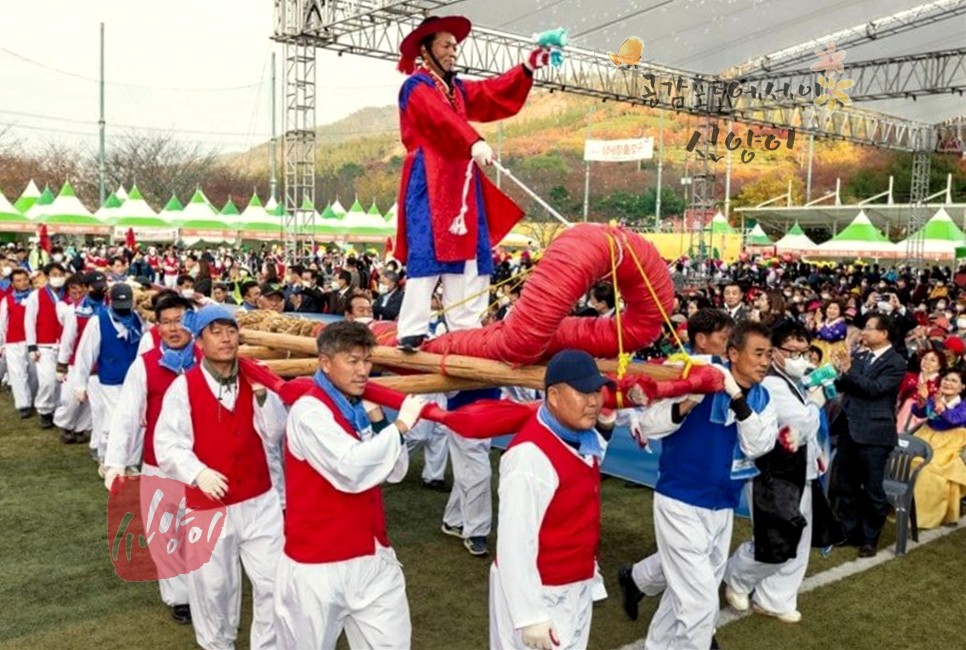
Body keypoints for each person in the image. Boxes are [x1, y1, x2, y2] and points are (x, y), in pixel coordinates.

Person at [392, 14, 550, 351]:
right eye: (446, 46)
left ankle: (466, 326)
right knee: (429, 250)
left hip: (461, 178)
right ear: (426, 50)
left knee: (472, 252)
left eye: (455, 46)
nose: (453, 52)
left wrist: (527, 67)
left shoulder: (457, 89)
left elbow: (492, 92)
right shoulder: (415, 87)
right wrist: (472, 141)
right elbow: (439, 118)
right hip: (431, 177)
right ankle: (412, 328)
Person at [620, 320, 778, 650]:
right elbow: (649, 425)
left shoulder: (764, 396)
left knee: (687, 593)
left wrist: (737, 399)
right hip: (680, 500)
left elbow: (759, 446)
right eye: (758, 353)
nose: (765, 361)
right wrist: (687, 402)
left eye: (769, 353)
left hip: (723, 506)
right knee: (699, 603)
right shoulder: (696, 373)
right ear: (733, 353)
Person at [274, 322, 428, 649]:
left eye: (367, 360)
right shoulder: (308, 411)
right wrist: (400, 425)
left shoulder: (358, 408)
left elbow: (394, 470)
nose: (363, 371)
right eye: (352, 361)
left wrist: (379, 419)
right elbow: (350, 469)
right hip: (317, 564)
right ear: (326, 363)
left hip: (372, 555)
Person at [154, 305, 287, 650]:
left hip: (260, 500)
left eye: (231, 330)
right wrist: (198, 472)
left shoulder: (257, 379)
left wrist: (262, 396)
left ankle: (268, 646)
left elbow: (275, 434)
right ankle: (217, 645)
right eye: (216, 331)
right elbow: (167, 443)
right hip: (208, 506)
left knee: (274, 582)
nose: (226, 338)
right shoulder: (184, 387)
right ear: (199, 341)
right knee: (214, 589)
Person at [489, 349, 615, 650]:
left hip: (572, 583)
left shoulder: (577, 436)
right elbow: (514, 542)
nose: (595, 400)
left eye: (597, 391)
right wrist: (530, 615)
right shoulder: (530, 457)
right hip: (541, 591)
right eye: (584, 392)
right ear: (555, 396)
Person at [723, 322, 831, 624]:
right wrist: (815, 402)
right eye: (790, 351)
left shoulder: (796, 380)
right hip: (774, 472)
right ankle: (738, 576)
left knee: (799, 537)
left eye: (804, 351)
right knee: (776, 535)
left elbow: (807, 430)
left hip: (802, 469)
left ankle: (775, 598)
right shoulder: (771, 383)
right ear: (775, 353)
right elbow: (802, 421)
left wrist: (817, 451)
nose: (800, 358)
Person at [103, 293, 198, 625]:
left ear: (193, 321)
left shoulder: (209, 358)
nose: (174, 328)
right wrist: (116, 462)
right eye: (166, 322)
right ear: (157, 327)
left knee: (201, 529)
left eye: (180, 320)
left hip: (203, 463)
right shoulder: (144, 365)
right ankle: (180, 597)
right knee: (165, 532)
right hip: (158, 460)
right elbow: (126, 415)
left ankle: (204, 590)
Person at [829, 313, 907, 558]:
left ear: (884, 334)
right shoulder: (861, 356)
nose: (863, 332)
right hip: (849, 428)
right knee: (846, 485)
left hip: (874, 433)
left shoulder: (896, 362)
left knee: (873, 489)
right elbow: (846, 385)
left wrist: (850, 371)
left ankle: (869, 538)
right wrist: (840, 370)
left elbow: (874, 390)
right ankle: (848, 530)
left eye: (869, 328)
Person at [73, 284, 144, 474]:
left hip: (134, 380)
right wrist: (80, 384)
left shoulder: (137, 319)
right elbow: (85, 353)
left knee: (136, 421)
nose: (123, 307)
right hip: (110, 379)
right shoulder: (98, 321)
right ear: (110, 301)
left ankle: (130, 461)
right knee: (115, 420)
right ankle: (108, 459)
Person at [908, 368, 966, 528]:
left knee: (929, 469)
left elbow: (955, 419)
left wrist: (941, 407)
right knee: (906, 459)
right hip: (926, 435)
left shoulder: (963, 405)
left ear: (963, 387)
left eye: (954, 381)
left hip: (950, 442)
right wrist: (922, 402)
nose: (947, 382)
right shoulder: (934, 399)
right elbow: (919, 413)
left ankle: (925, 514)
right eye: (946, 379)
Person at [53, 273, 101, 444]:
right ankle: (65, 424)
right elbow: (68, 339)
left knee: (90, 400)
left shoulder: (105, 307)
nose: (79, 292)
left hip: (98, 363)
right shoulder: (75, 311)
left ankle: (82, 427)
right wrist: (62, 364)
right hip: (76, 361)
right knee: (72, 398)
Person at [24, 262, 69, 429]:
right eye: (54, 274)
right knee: (48, 380)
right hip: (44, 344)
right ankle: (44, 410)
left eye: (61, 274)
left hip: (64, 344)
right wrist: (31, 345)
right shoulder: (36, 296)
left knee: (62, 381)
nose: (58, 278)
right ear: (47, 276)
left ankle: (57, 409)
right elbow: (29, 321)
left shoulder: (69, 295)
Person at [0, 268, 38, 418]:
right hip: (13, 342)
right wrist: (2, 344)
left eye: (24, 279)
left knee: (34, 373)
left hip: (33, 341)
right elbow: (2, 324)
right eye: (18, 281)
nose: (22, 283)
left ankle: (35, 398)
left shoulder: (35, 298)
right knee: (17, 373)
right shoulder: (7, 300)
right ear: (13, 283)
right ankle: (23, 404)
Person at [896, 348, 945, 433]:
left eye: (932, 360)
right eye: (925, 358)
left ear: (939, 366)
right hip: (902, 415)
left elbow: (938, 411)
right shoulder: (908, 377)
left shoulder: (942, 384)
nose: (927, 362)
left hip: (925, 422)